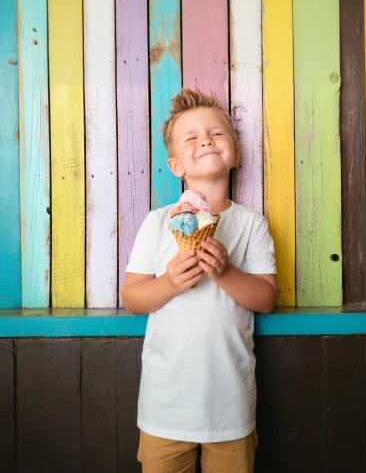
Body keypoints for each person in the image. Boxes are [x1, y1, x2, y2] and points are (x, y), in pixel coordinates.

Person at [121, 88, 278, 473]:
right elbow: (133, 298)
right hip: (165, 405)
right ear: (176, 165)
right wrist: (171, 282)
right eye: (191, 137)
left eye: (217, 133)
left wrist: (225, 273)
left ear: (236, 155)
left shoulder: (250, 224)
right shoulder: (158, 223)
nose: (206, 139)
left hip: (231, 405)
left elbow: (266, 298)